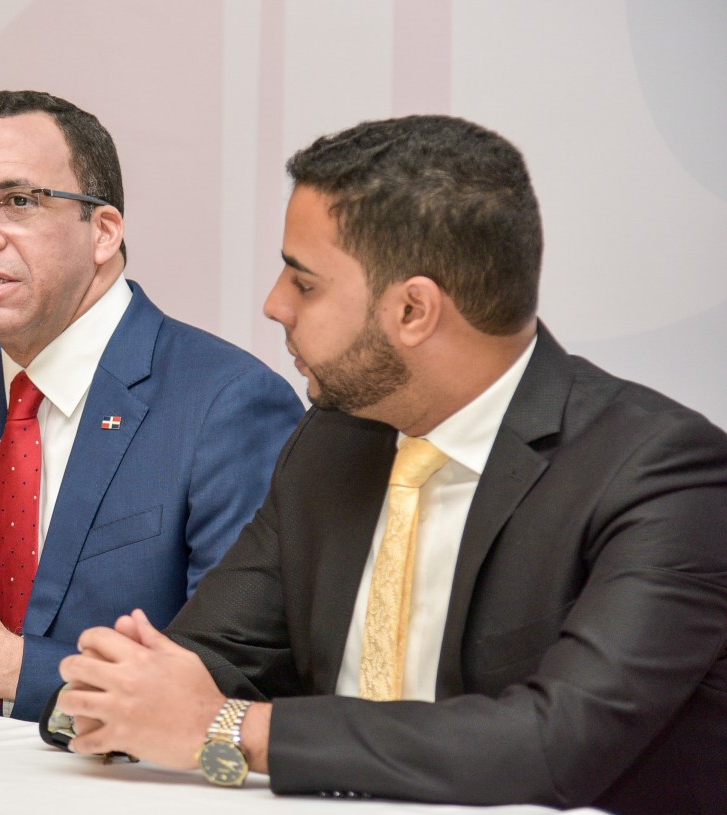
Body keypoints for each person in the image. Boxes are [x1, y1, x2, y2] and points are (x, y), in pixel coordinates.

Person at [55, 115, 727, 815]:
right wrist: (125, 688)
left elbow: (552, 744)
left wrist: (235, 729)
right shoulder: (333, 439)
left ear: (413, 309)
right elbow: (215, 651)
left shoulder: (660, 472)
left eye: (305, 282)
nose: (274, 304)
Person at [0, 90, 303, 721]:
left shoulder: (226, 403)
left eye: (17, 202)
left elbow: (236, 677)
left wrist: (10, 669)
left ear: (104, 232)